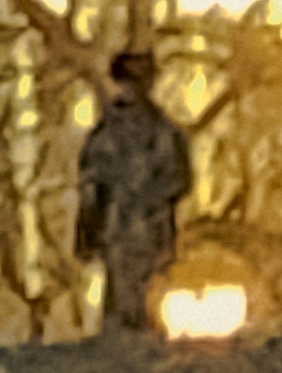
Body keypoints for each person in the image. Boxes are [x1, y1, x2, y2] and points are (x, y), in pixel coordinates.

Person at [71, 46, 192, 339]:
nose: (137, 87)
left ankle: (138, 347)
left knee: (148, 297)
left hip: (151, 228)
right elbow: (91, 188)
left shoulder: (164, 132)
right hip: (118, 228)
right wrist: (86, 232)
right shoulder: (107, 133)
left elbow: (179, 180)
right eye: (131, 79)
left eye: (143, 79)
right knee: (121, 298)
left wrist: (155, 204)